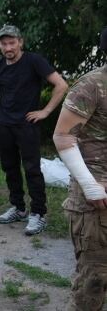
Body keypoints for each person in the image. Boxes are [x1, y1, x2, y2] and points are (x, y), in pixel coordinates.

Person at [0, 24, 67, 235]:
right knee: (10, 167)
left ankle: (38, 214)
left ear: (20, 42)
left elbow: (61, 85)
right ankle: (18, 207)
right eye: (4, 44)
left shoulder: (34, 61)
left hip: (27, 125)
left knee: (32, 169)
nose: (8, 47)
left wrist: (45, 111)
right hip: (4, 124)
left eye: (12, 43)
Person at [53, 28, 107, 311]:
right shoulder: (92, 85)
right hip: (96, 205)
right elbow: (62, 136)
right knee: (94, 282)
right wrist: (89, 184)